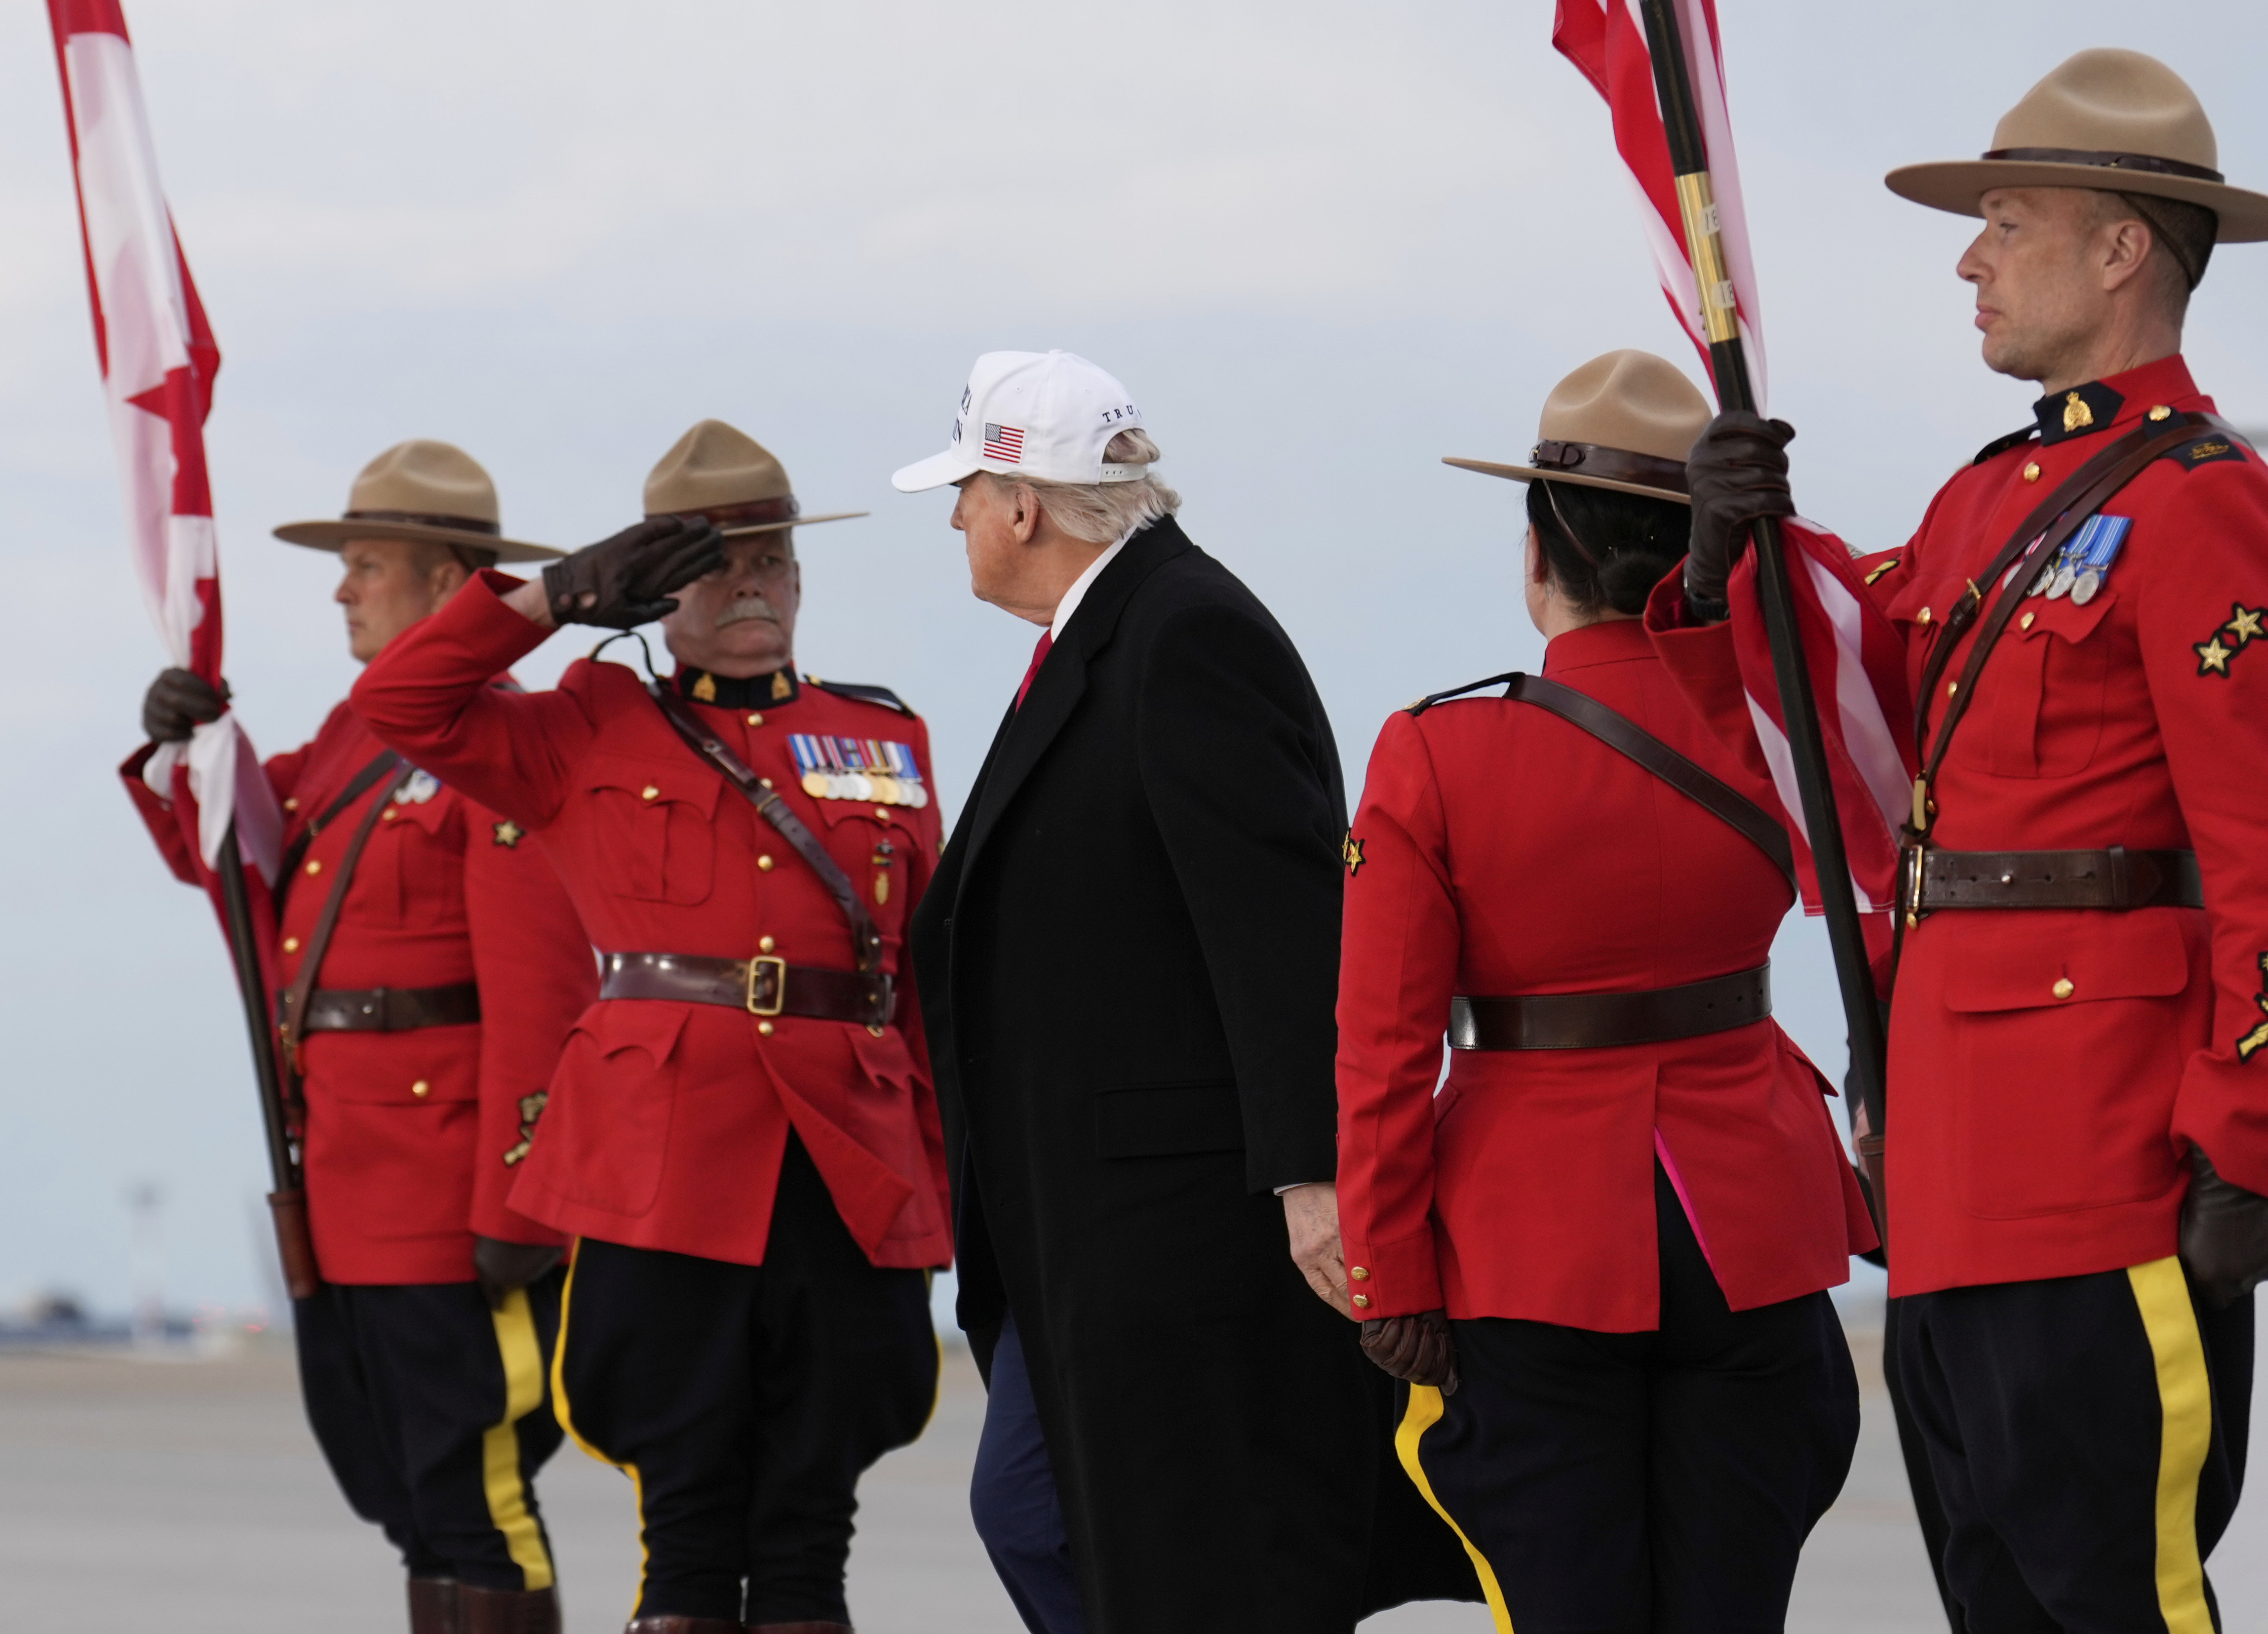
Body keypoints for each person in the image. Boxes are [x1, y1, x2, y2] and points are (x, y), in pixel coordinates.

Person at [1662, 49, 2268, 1630]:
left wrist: (2250, 1138)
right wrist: (1724, 562)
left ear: (2118, 249)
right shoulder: (1987, 501)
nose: (1968, 261)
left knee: (2116, 1601)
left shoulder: (2201, 503)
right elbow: (1860, 686)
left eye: (2005, 223)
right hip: (1947, 1173)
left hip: (2104, 1168)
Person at [890, 350, 1475, 1634]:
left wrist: (1314, 1172)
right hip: (1091, 1231)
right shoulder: (1108, 632)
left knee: (1201, 1565)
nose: (956, 521)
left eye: (967, 493)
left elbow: (1282, 926)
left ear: (1023, 505)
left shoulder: (1184, 633)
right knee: (1041, 1515)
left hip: (1182, 1237)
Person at [350, 420, 944, 1634]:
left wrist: (948, 1178)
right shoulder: (584, 725)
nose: (750, 586)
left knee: (813, 1522)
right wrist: (555, 596)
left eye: (770, 561)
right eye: (715, 566)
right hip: (664, 1160)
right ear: (658, 588)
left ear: (800, 577)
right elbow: (399, 698)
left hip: (848, 1153)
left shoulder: (883, 737)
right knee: (684, 1524)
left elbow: (924, 978)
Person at [1334, 350, 1877, 1633]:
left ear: (1538, 552)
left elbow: (1383, 1043)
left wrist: (1385, 1268)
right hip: (1752, 1217)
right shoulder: (1774, 726)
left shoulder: (1437, 748)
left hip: (1532, 1240)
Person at [124, 440, 598, 1634]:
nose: (343, 588)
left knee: (477, 1493)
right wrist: (186, 743)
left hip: (449, 1195)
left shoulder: (498, 740)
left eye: (369, 563)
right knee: (404, 1492)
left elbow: (541, 998)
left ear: (449, 584)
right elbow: (228, 850)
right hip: (344, 1182)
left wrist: (520, 1206)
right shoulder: (353, 737)